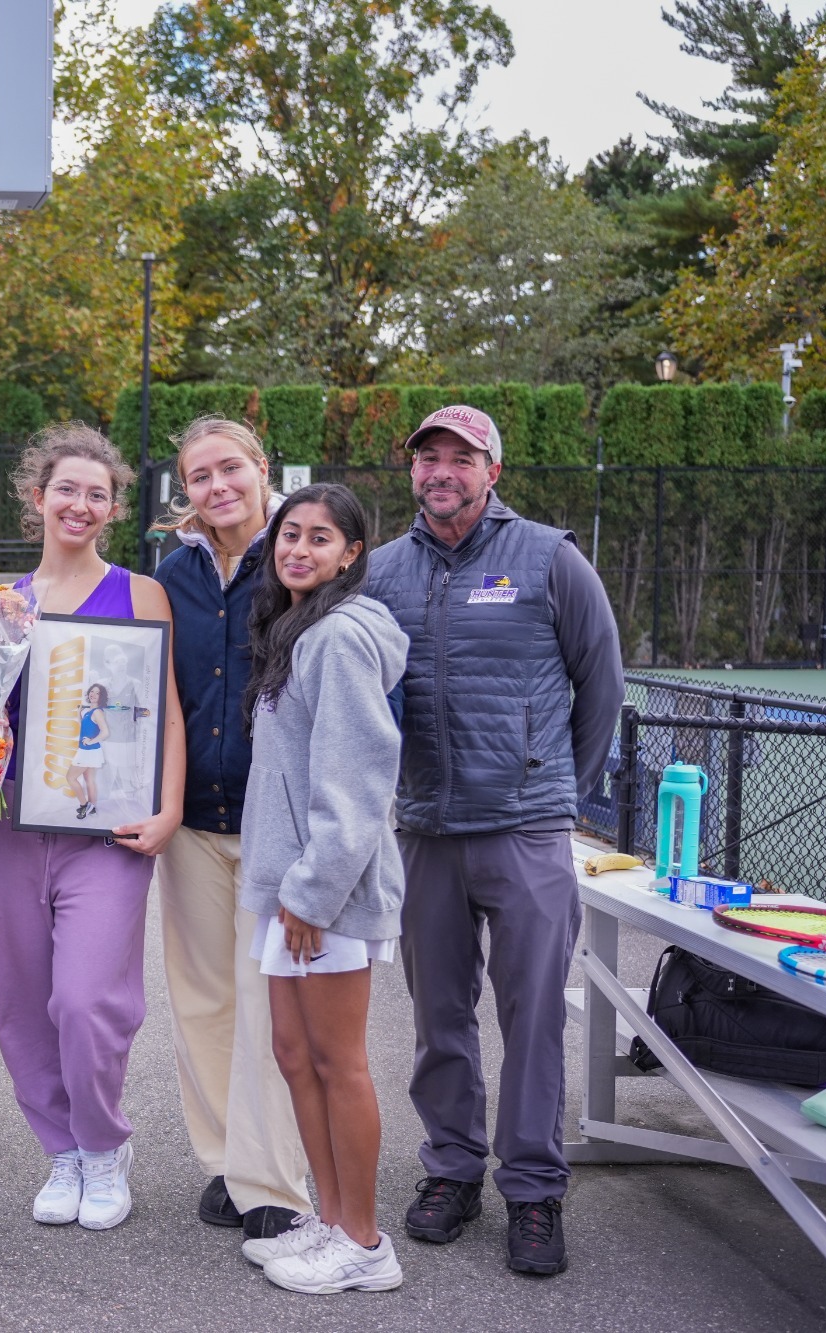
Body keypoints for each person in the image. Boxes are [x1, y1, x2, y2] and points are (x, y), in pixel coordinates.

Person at [365, 405, 623, 1277]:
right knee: (439, 1017)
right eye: (427, 457)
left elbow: (602, 685)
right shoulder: (381, 573)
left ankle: (534, 1188)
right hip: (426, 830)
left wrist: (553, 789)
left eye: (460, 458)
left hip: (526, 832)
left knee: (535, 1018)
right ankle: (451, 1169)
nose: (441, 470)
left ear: (493, 471)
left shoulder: (551, 558)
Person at [0, 425, 186, 1231]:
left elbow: (163, 711)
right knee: (24, 1003)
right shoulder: (1, 605)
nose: (81, 504)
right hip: (17, 830)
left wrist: (167, 809)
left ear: (113, 507)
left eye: (98, 493)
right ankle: (60, 1150)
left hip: (109, 829)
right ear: (38, 498)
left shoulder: (140, 593)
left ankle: (104, 1144)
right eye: (67, 488)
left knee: (88, 999)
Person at [237, 483, 409, 1294]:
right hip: (291, 890)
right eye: (289, 533)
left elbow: (359, 779)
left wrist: (312, 893)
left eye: (319, 538)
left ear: (351, 555)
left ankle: (367, 1243)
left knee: (339, 1063)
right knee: (294, 1055)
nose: (298, 549)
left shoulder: (341, 637)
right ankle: (332, 1218)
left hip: (325, 896)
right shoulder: (296, 631)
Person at [151, 415, 312, 1250]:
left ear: (260, 466)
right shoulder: (172, 572)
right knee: (203, 1001)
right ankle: (224, 1157)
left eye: (229, 470)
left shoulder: (298, 555)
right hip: (191, 824)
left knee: (267, 1004)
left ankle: (273, 1179)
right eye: (199, 476)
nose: (216, 488)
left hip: (272, 821)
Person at [72, 684, 109, 819]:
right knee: (89, 780)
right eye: (92, 691)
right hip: (88, 751)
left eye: (97, 693)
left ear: (101, 697)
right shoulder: (89, 712)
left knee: (70, 778)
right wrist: (78, 714)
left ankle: (84, 805)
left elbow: (105, 732)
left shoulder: (97, 712)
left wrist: (91, 741)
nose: (93, 694)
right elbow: (85, 727)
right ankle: (92, 807)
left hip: (88, 751)